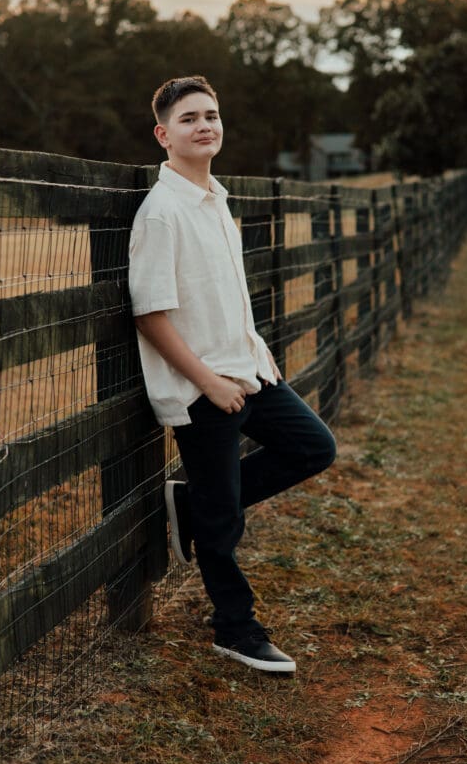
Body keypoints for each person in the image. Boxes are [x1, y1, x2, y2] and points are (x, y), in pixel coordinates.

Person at [128, 75, 336, 674]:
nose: (205, 126)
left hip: (248, 371)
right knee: (223, 526)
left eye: (212, 115)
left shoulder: (215, 199)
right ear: (163, 134)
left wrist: (256, 353)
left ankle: (191, 508)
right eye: (190, 118)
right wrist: (208, 382)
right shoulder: (162, 212)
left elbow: (223, 297)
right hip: (200, 387)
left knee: (312, 447)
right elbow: (151, 314)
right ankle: (235, 630)